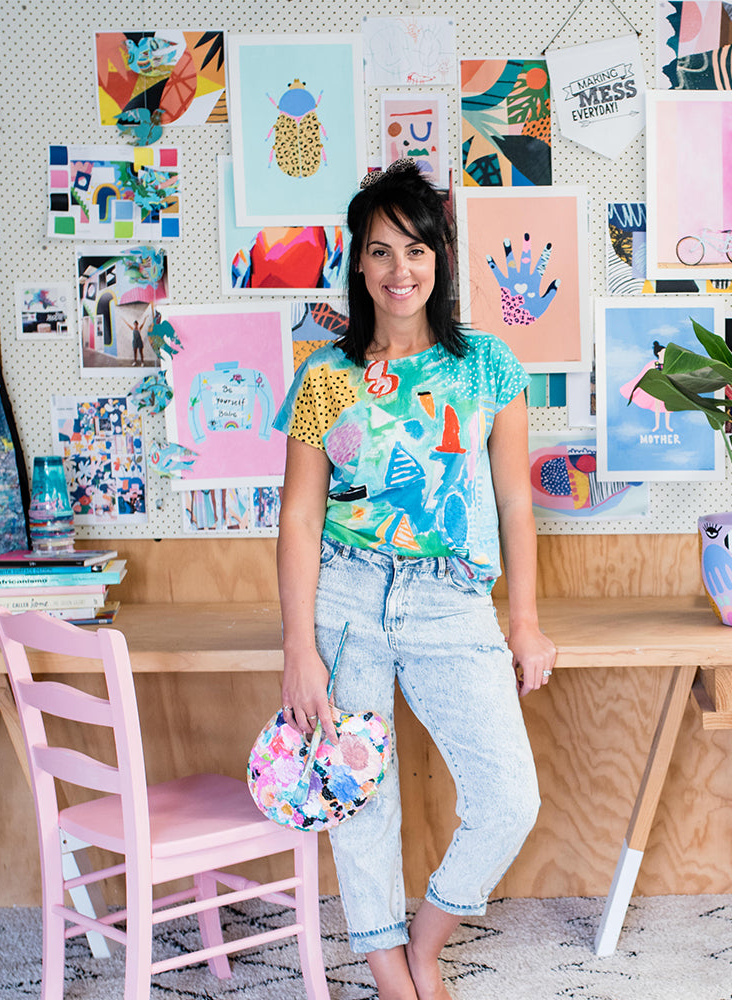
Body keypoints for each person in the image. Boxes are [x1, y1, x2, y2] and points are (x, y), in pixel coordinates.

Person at [275, 158, 554, 1000]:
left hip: (451, 599)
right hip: (347, 597)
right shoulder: (325, 376)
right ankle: (391, 975)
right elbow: (297, 516)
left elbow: (514, 504)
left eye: (417, 249)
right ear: (358, 265)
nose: (401, 269)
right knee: (361, 797)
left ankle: (426, 942)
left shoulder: (488, 368)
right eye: (381, 251)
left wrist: (527, 622)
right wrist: (298, 649)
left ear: (440, 258)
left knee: (508, 797)